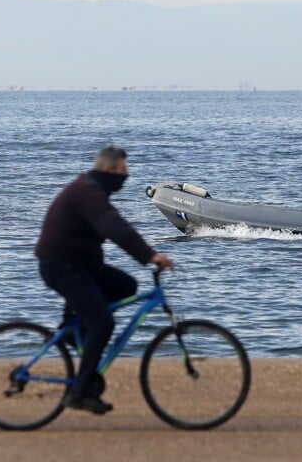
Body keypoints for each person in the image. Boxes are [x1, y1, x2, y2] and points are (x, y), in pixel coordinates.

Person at [35, 146, 174, 415]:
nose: (126, 175)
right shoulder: (88, 193)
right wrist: (150, 256)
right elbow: (116, 228)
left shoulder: (91, 189)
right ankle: (79, 391)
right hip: (61, 266)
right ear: (109, 170)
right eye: (123, 169)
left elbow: (113, 226)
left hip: (78, 264)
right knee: (102, 322)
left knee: (126, 286)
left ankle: (72, 330)